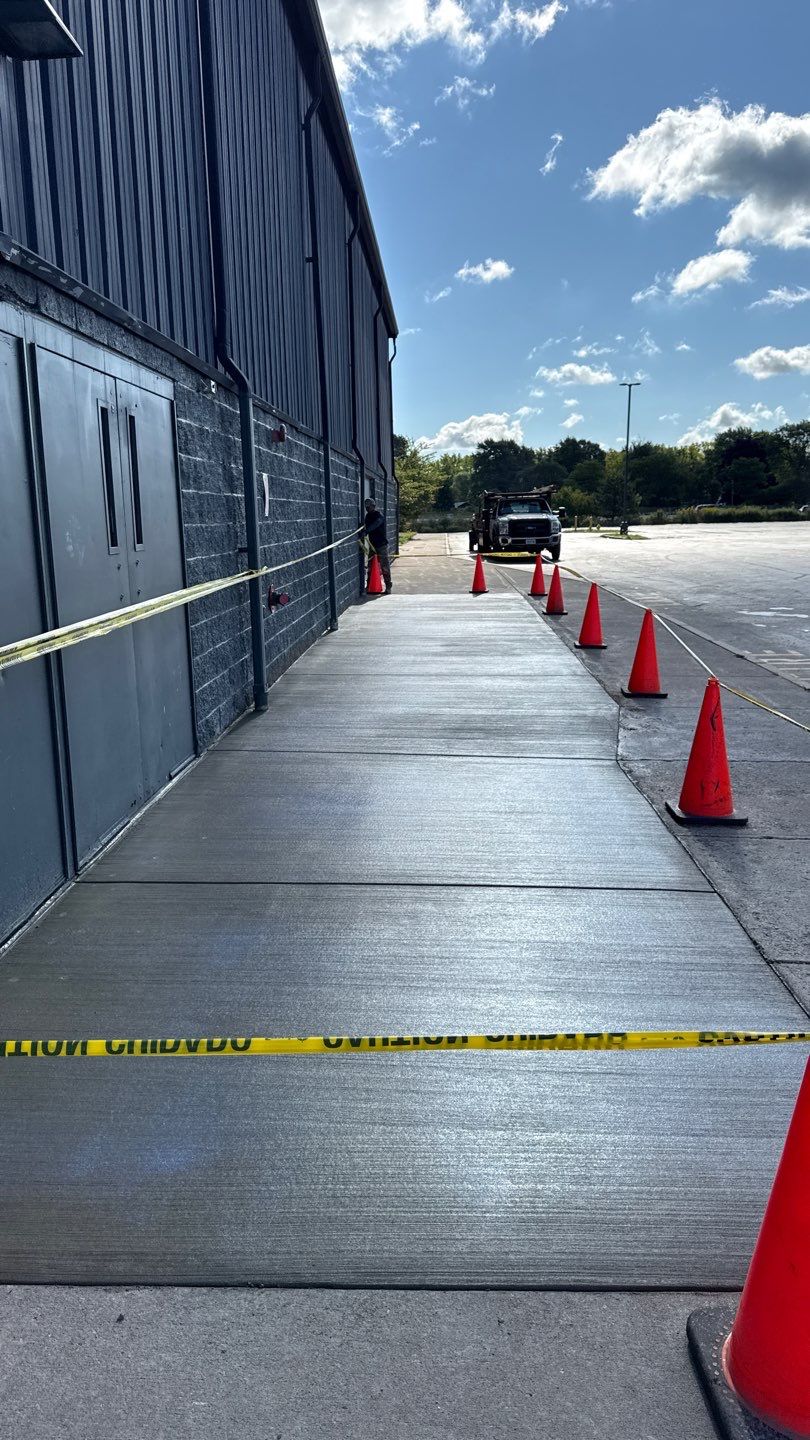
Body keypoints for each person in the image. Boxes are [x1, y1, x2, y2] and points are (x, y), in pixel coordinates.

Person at [362, 497, 392, 593]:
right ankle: (369, 586)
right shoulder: (367, 516)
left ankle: (388, 586)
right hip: (372, 545)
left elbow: (376, 524)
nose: (367, 508)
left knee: (385, 566)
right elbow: (365, 525)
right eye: (366, 507)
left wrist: (367, 531)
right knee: (370, 566)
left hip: (381, 545)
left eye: (369, 507)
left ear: (374, 506)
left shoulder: (379, 515)